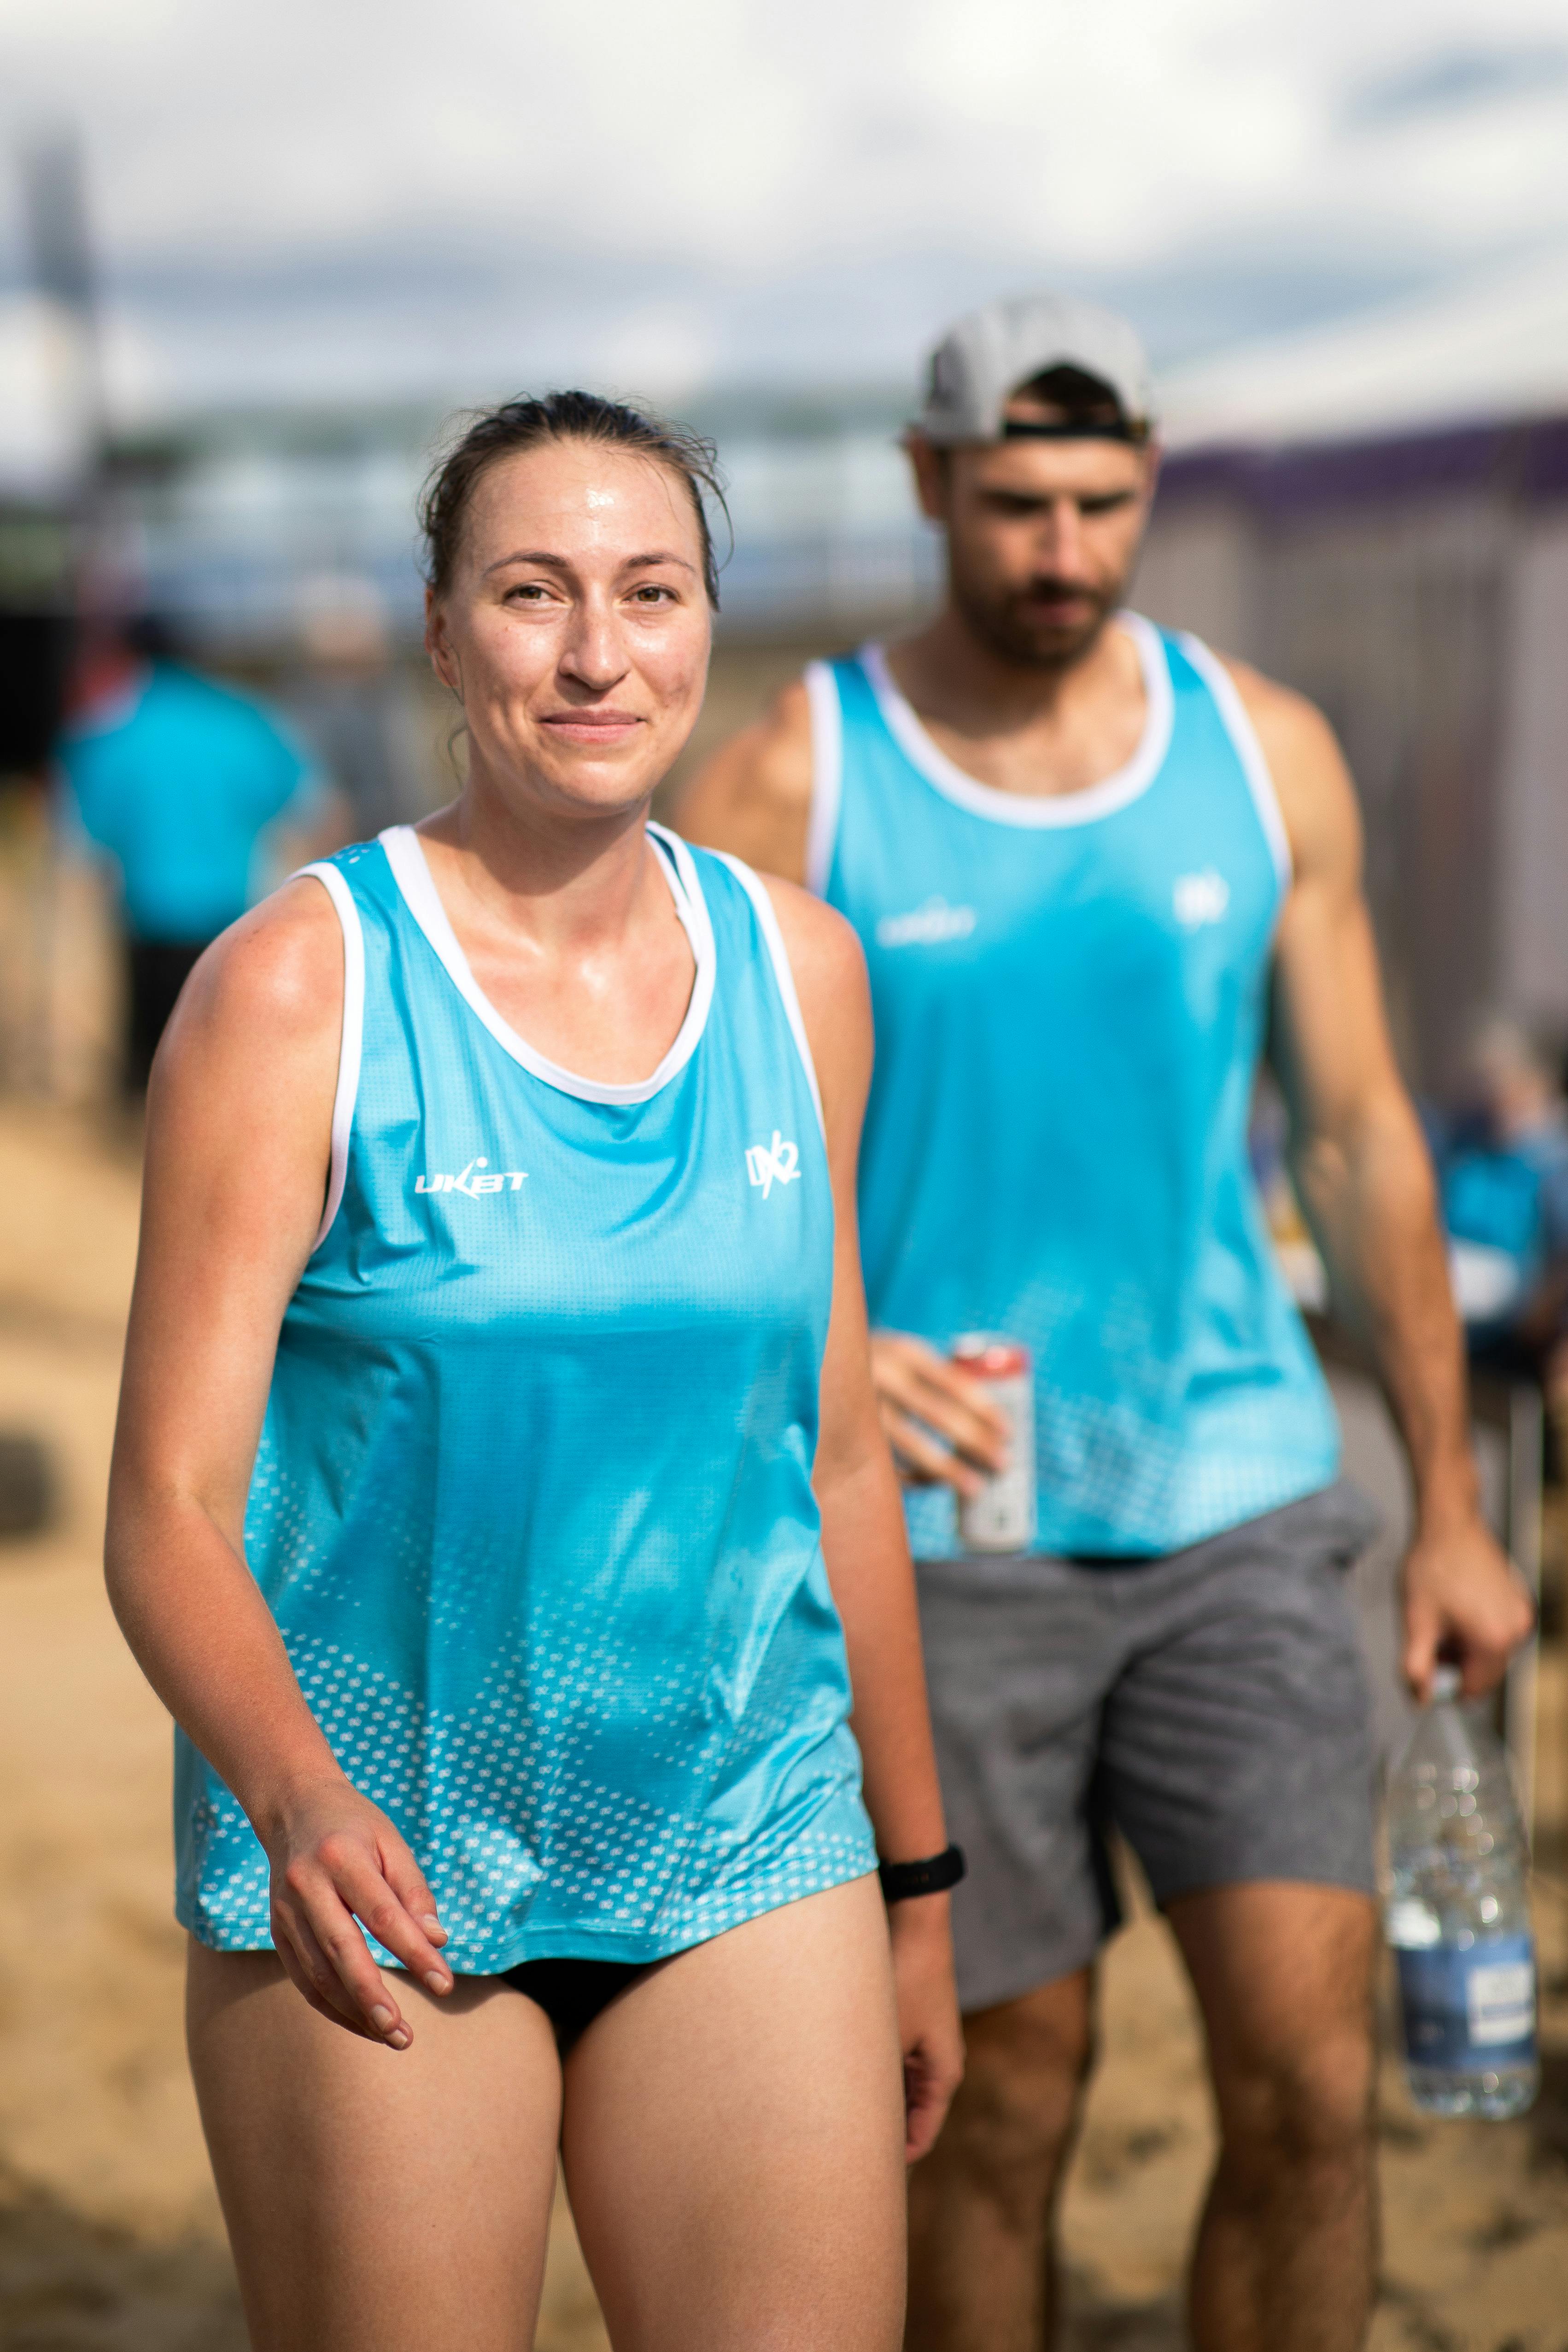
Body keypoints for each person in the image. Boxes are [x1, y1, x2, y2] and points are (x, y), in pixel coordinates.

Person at [677, 296, 1535, 2352]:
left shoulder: (1258, 751)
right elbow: (678, 1144)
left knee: (1308, 2079)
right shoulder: (796, 774)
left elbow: (1352, 1132)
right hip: (944, 1546)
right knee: (994, 2111)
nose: (1060, 547)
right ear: (922, 486)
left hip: (1242, 1496)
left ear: (1143, 480)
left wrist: (1439, 1498)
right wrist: (808, 1348)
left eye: (1098, 499)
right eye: (1012, 504)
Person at [105, 392, 963, 2352]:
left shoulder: (802, 968)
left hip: (746, 1834)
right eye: (531, 591)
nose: (596, 651)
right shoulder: (297, 986)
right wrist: (295, 1795)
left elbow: (835, 1458)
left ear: (703, 621)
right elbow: (160, 1507)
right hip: (387, 1854)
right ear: (439, 629)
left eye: (649, 592)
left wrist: (913, 1883)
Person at [58, 614, 336, 1092]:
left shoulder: (110, 733)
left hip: (147, 913)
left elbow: (82, 835)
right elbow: (309, 805)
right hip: (232, 913)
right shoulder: (242, 720)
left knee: (151, 1058)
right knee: (222, 1054)